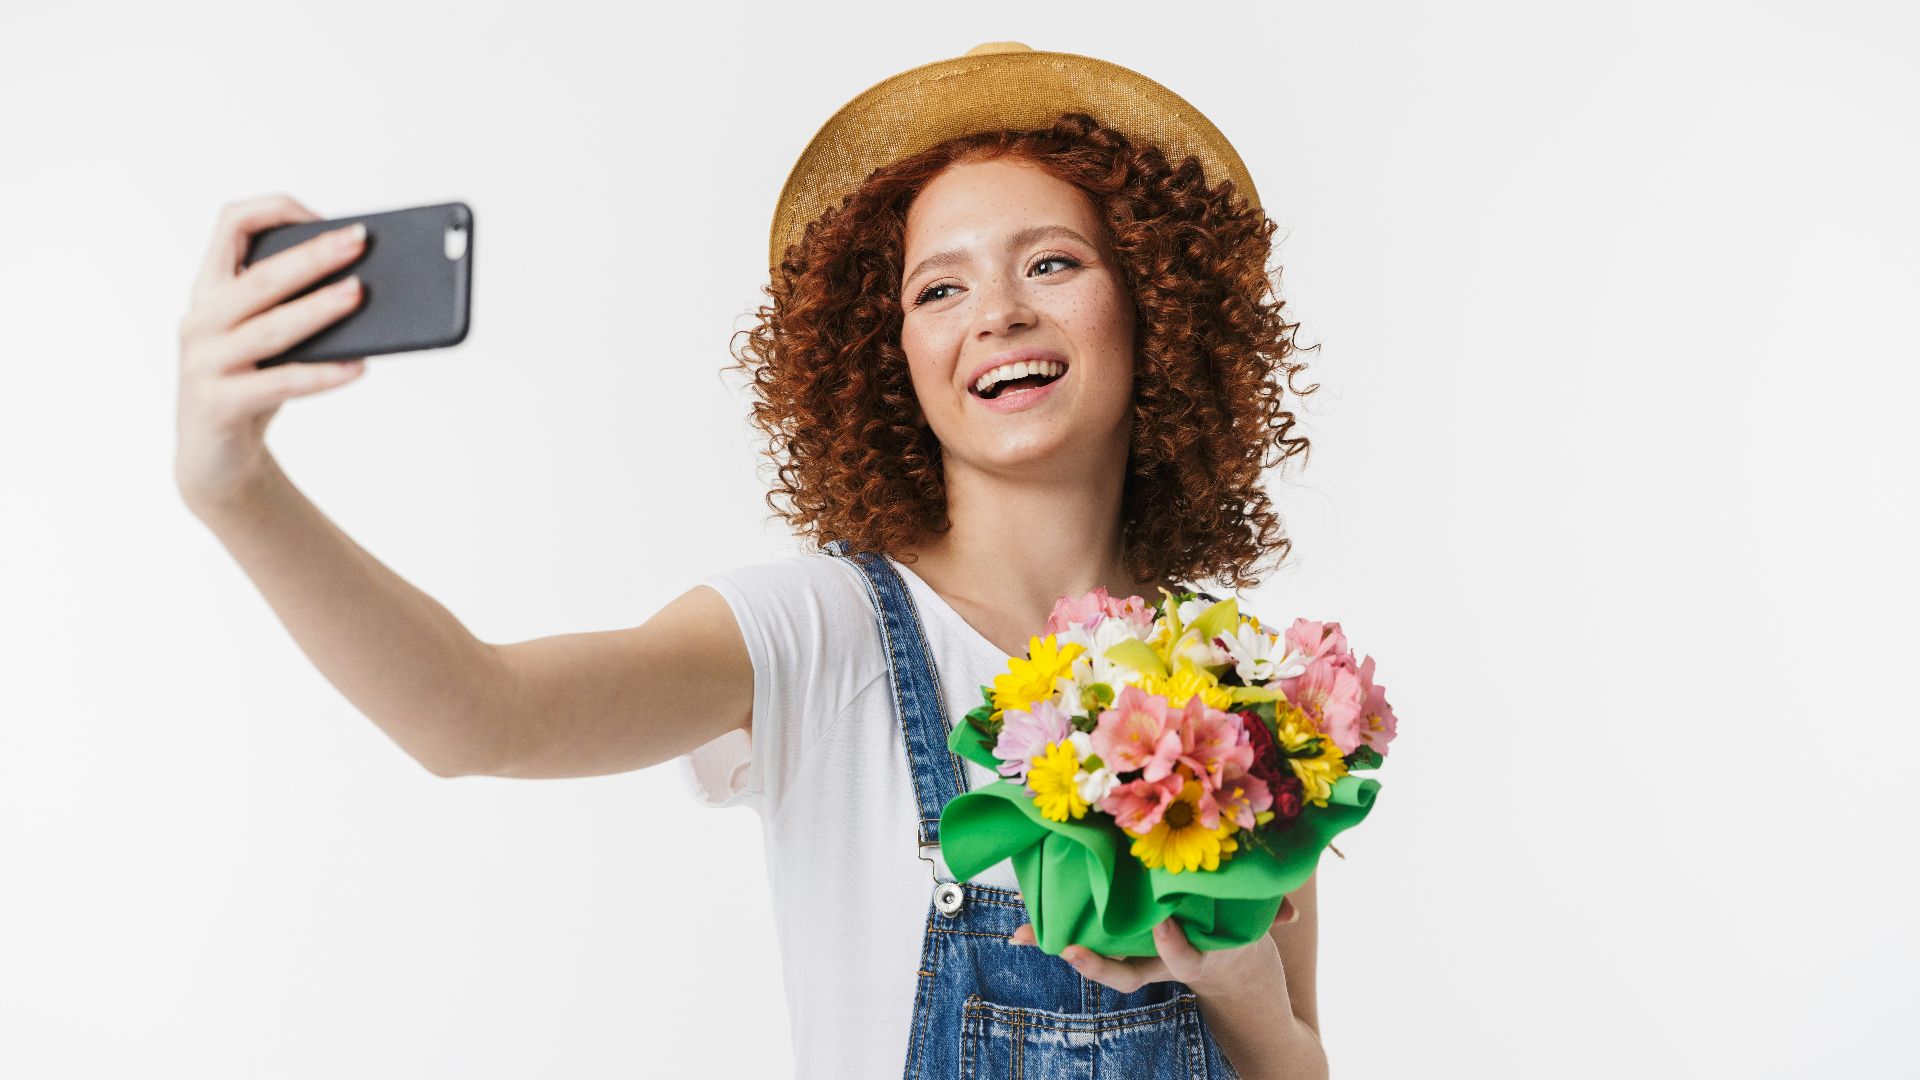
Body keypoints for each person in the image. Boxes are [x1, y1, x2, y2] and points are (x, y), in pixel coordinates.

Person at [174, 42, 1326, 1079]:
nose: (997, 313)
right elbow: (485, 716)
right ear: (892, 359)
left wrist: (1244, 998)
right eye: (940, 287)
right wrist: (239, 491)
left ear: (1159, 308)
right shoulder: (821, 633)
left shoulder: (1232, 696)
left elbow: (1297, 1063)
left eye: (1054, 265)